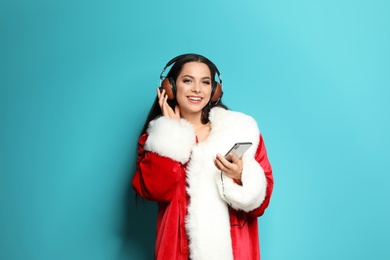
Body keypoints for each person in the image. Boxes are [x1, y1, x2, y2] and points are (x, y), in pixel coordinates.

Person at [132, 53, 274, 260]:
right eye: (187, 80)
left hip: (235, 252)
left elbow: (262, 201)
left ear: (214, 91)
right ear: (170, 87)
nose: (197, 89)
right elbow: (155, 191)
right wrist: (170, 132)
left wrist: (241, 174)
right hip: (177, 253)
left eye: (205, 82)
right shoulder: (157, 140)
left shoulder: (241, 131)